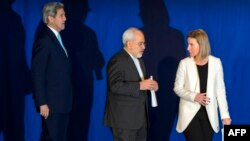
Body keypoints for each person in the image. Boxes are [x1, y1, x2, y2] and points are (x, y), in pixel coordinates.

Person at [173, 29, 232, 141]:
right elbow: (177, 88)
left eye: (191, 44)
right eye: (188, 44)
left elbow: (220, 91)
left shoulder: (216, 62)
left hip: (209, 115)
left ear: (201, 45)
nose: (188, 48)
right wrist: (194, 96)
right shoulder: (184, 63)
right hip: (189, 115)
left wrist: (225, 116)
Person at [104, 27, 159, 141]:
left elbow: (140, 86)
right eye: (140, 44)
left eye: (144, 43)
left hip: (140, 120)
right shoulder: (117, 60)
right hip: (124, 121)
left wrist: (150, 86)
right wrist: (140, 85)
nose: (144, 47)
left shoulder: (140, 60)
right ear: (129, 44)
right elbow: (115, 86)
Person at [31, 2, 72, 141]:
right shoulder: (45, 40)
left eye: (64, 15)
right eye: (62, 15)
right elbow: (37, 73)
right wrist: (42, 102)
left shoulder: (57, 38)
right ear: (50, 18)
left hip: (62, 103)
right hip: (52, 104)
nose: (65, 18)